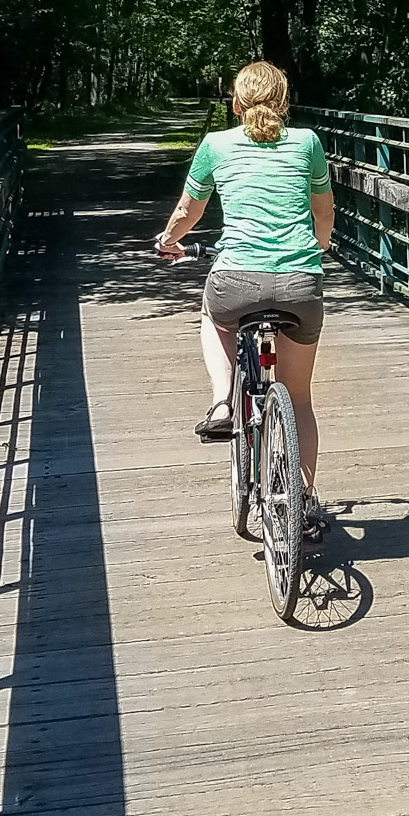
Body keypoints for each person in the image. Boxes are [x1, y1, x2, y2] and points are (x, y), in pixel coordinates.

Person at [155, 61, 334, 538]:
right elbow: (324, 212)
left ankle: (221, 404)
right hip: (300, 284)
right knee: (298, 397)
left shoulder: (215, 145)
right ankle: (305, 501)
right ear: (284, 101)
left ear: (235, 103)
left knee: (213, 316)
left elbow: (188, 210)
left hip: (235, 281)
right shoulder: (309, 143)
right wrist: (318, 245)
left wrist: (170, 240)